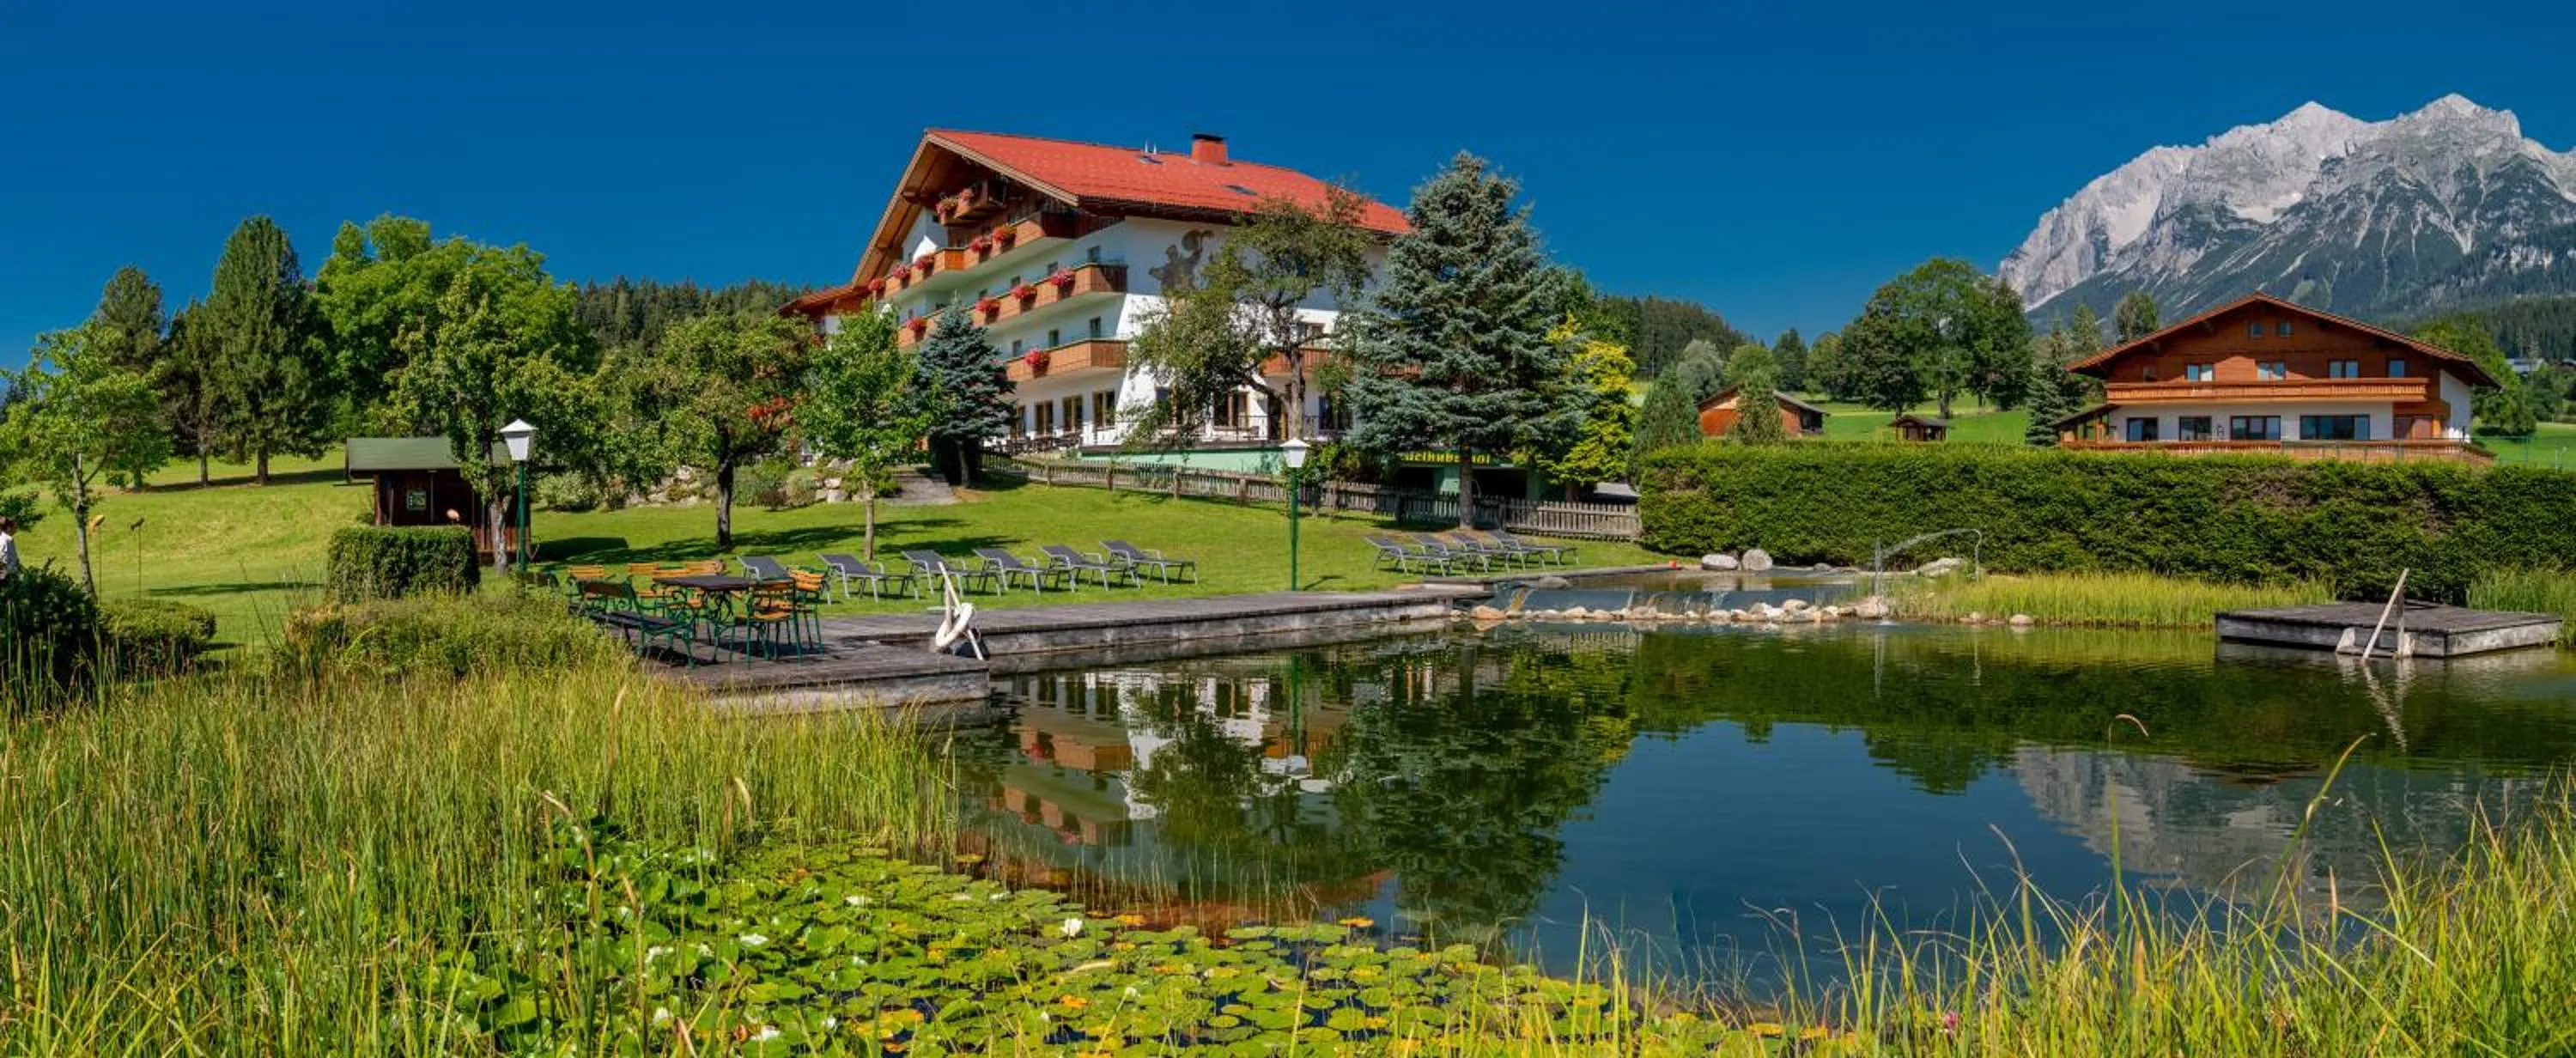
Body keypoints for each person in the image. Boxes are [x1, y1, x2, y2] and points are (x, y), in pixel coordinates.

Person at [0, 515, 19, 584]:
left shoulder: (4, 539)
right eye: (15, 528)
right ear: (8, 528)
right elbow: (4, 560)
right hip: (8, 578)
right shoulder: (6, 540)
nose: (16, 530)